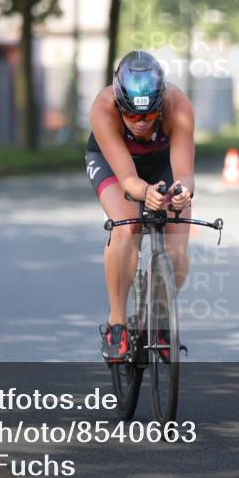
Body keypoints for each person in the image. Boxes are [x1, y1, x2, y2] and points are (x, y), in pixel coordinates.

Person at [86, 51, 195, 361]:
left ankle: (159, 317)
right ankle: (117, 323)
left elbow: (185, 173)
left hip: (163, 164)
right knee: (128, 226)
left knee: (177, 247)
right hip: (115, 165)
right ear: (120, 105)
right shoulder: (103, 107)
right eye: (132, 115)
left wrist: (183, 191)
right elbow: (128, 180)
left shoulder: (179, 107)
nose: (140, 122)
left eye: (148, 115)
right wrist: (145, 192)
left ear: (161, 105)